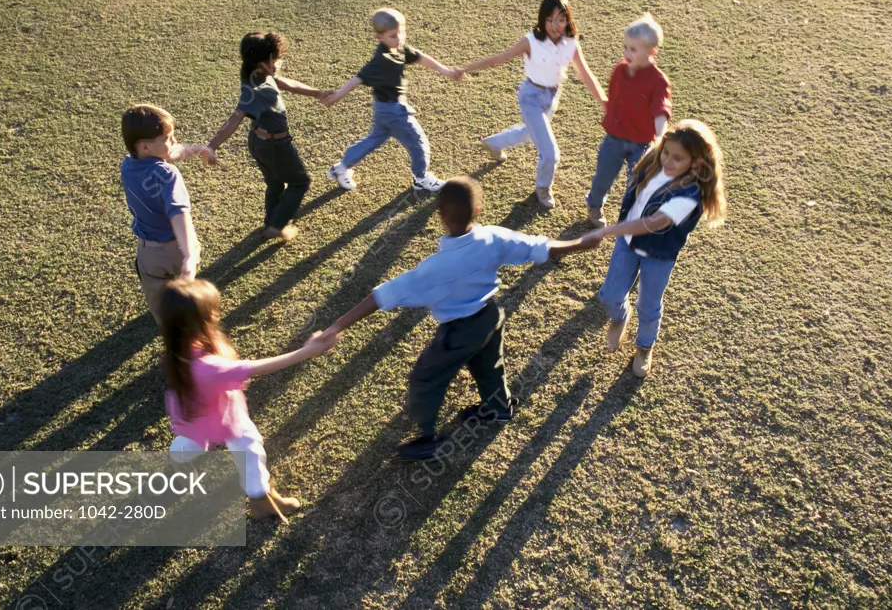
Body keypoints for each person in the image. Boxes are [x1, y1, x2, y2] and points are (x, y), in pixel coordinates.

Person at [320, 177, 601, 461]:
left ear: (440, 213)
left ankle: (428, 440)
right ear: (478, 209)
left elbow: (382, 296)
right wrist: (581, 242)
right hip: (490, 317)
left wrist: (335, 326)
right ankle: (498, 407)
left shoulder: (434, 268)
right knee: (489, 363)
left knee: (426, 378)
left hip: (458, 331)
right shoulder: (493, 237)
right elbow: (538, 247)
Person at [162, 278, 338, 520]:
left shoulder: (179, 346)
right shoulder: (208, 367)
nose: (217, 314)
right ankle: (261, 500)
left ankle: (177, 460)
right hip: (224, 417)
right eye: (212, 310)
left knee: (193, 441)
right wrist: (306, 352)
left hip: (194, 414)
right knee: (250, 448)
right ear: (198, 322)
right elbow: (256, 368)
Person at [584, 120, 727, 378]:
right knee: (609, 295)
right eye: (666, 153)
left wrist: (607, 230)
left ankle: (644, 348)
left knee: (649, 306)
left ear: (695, 162)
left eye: (678, 158)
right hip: (627, 245)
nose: (668, 161)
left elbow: (652, 224)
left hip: (658, 256)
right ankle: (620, 315)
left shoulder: (689, 194)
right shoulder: (653, 162)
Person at [460, 0, 607, 209]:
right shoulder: (531, 41)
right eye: (549, 19)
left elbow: (586, 74)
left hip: (552, 97)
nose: (555, 25)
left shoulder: (571, 44)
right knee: (550, 153)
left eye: (561, 19)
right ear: (542, 19)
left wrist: (605, 102)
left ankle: (494, 143)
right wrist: (465, 69)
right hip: (530, 97)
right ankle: (543, 188)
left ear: (568, 19)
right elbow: (499, 58)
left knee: (530, 132)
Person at [207, 32, 330, 242]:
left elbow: (285, 83)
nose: (280, 61)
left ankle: (270, 222)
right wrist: (211, 146)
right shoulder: (254, 90)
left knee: (274, 184)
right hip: (275, 146)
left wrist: (317, 93)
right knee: (300, 182)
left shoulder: (256, 74)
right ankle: (277, 225)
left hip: (259, 142)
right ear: (263, 62)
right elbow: (235, 118)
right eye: (276, 57)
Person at [322, 8, 455, 192]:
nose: (399, 38)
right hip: (393, 111)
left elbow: (419, 57)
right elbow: (358, 78)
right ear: (380, 38)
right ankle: (421, 178)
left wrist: (444, 70)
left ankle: (341, 169)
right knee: (418, 141)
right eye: (393, 35)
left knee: (373, 140)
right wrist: (337, 95)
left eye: (402, 32)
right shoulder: (381, 60)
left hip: (383, 108)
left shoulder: (398, 48)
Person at [120, 104, 214, 327]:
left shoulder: (128, 165)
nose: (173, 142)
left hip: (148, 253)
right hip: (177, 249)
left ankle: (169, 331)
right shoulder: (168, 174)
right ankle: (194, 333)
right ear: (145, 147)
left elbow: (173, 152)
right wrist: (189, 255)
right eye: (168, 138)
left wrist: (198, 148)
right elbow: (179, 213)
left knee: (158, 299)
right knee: (187, 295)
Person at [586, 14, 672, 228]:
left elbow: (661, 110)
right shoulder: (619, 70)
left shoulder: (658, 81)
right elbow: (613, 98)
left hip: (642, 145)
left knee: (636, 183)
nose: (626, 53)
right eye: (625, 47)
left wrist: (661, 137)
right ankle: (594, 205)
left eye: (633, 49)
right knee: (603, 177)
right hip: (614, 139)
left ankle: (628, 218)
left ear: (651, 51)